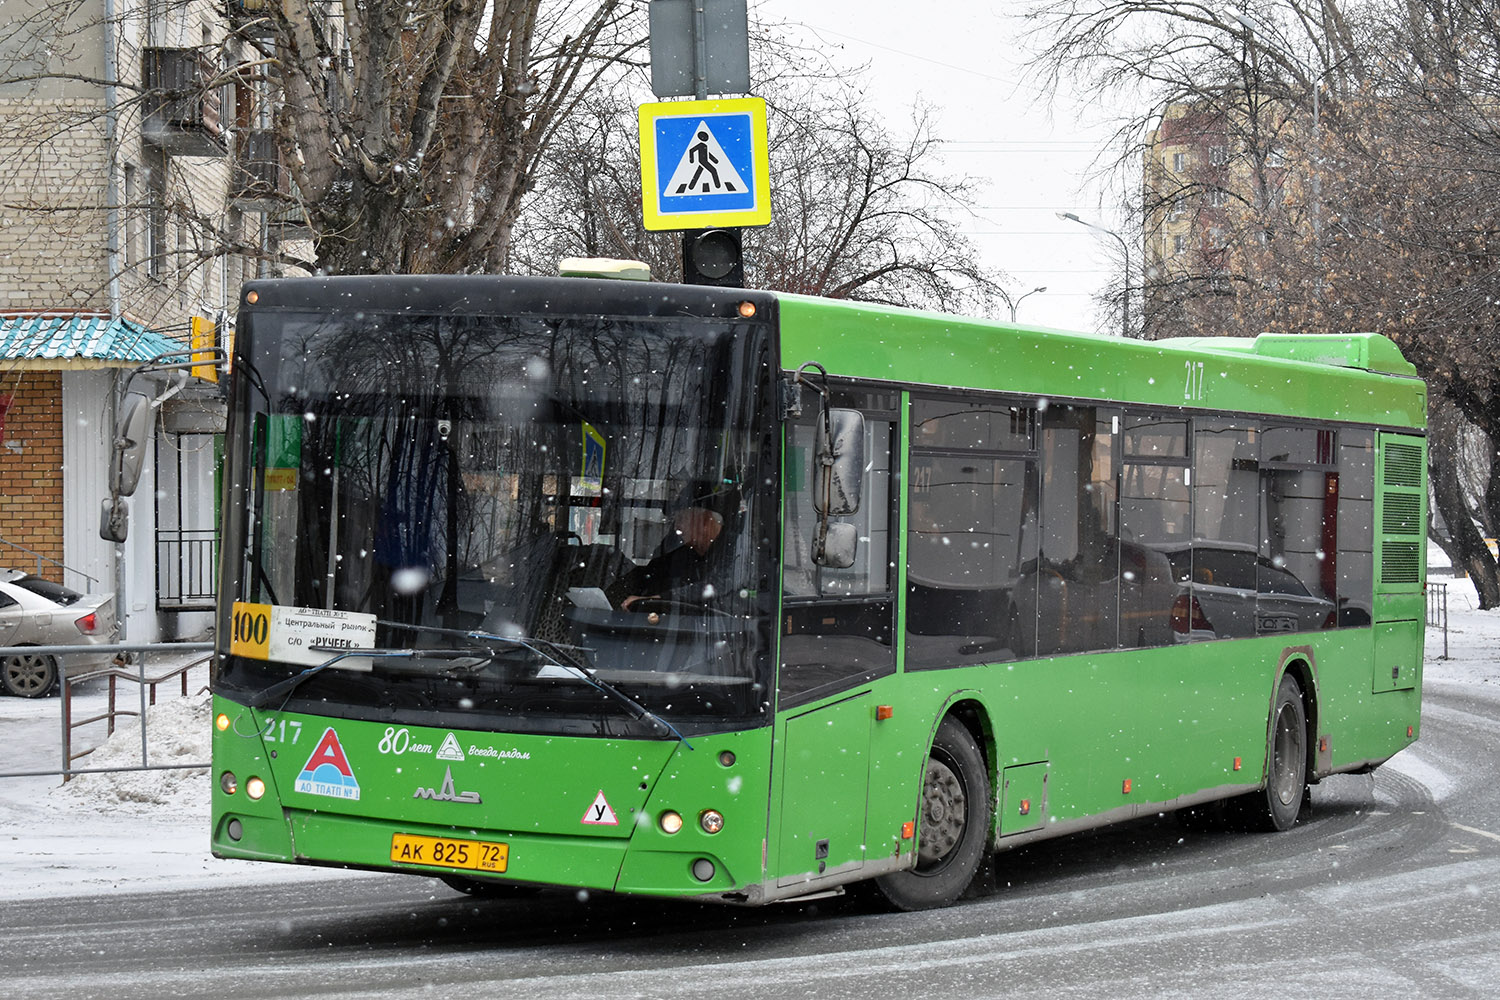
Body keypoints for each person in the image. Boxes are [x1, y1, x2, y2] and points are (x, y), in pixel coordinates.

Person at [612, 483, 738, 610]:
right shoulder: (683, 555)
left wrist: (660, 598)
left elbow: (719, 585)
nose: (677, 527)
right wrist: (618, 588)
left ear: (704, 521)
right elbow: (649, 574)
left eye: (681, 519)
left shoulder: (736, 549)